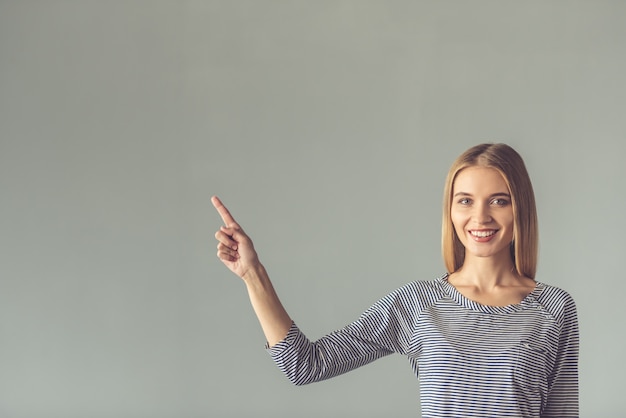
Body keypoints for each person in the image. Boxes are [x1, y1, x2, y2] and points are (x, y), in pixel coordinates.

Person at [212, 143, 579, 417]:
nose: (480, 216)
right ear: (450, 211)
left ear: (521, 209)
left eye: (499, 200)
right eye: (465, 201)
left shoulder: (554, 309)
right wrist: (252, 274)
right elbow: (305, 364)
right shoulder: (419, 304)